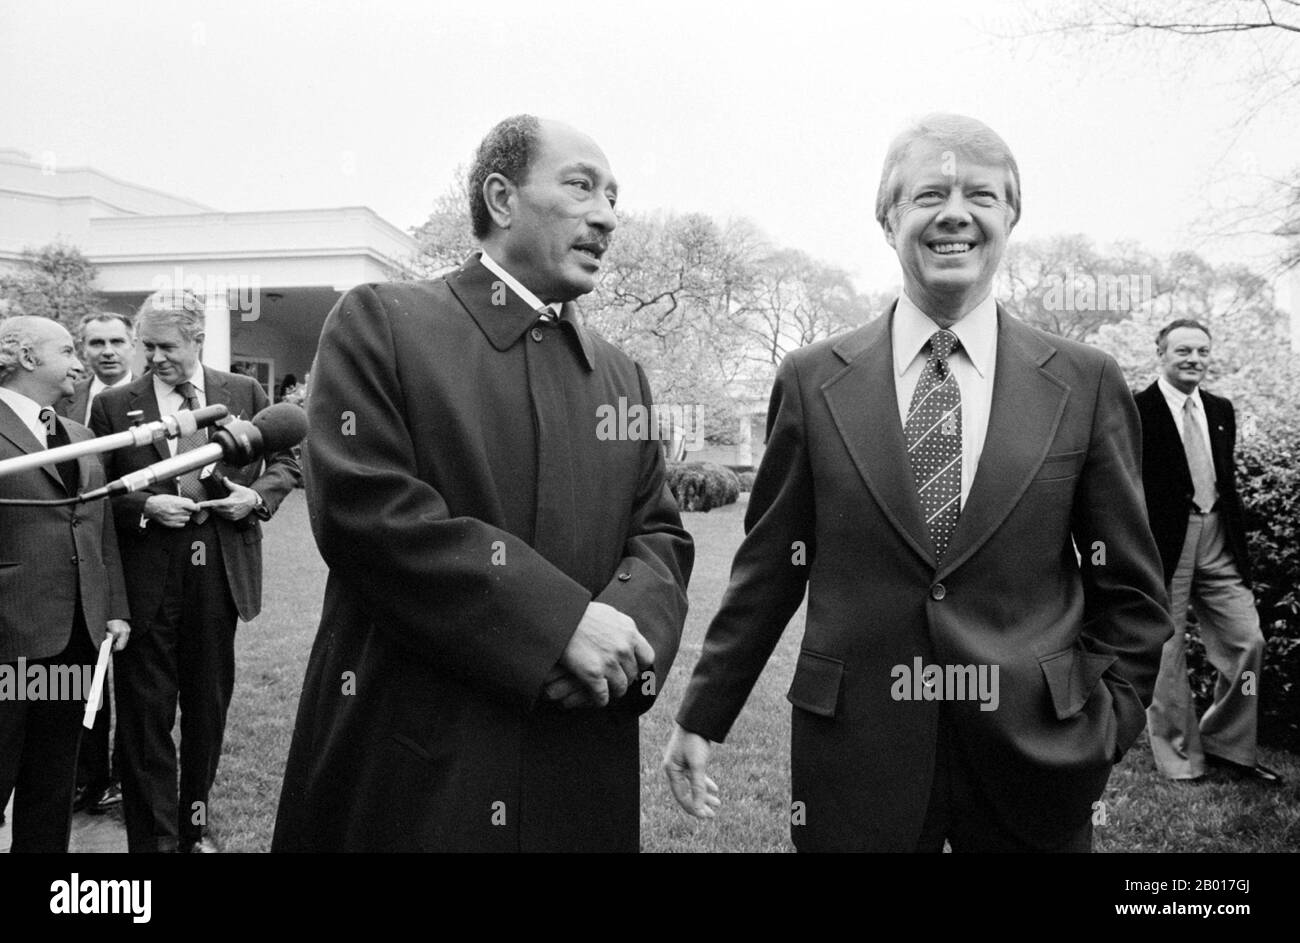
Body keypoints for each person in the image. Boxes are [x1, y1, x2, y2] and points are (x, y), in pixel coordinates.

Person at [662, 114, 1173, 852]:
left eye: (982, 195)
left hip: (1037, 759)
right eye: (930, 193)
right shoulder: (811, 381)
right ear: (889, 217)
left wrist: (1106, 724)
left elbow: (1133, 594)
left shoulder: (1085, 382)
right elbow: (769, 570)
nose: (956, 212)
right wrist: (703, 714)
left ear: (1010, 217)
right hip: (856, 761)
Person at [273, 115, 693, 853]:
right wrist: (557, 626)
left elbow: (660, 534)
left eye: (615, 198)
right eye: (581, 186)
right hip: (416, 767)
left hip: (580, 761)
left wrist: (621, 642)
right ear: (501, 198)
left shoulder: (623, 375)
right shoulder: (381, 323)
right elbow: (364, 512)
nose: (607, 216)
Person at [91, 291, 301, 852]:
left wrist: (254, 499)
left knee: (207, 707)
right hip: (146, 578)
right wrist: (145, 507)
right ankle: (154, 841)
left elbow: (284, 460)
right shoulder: (114, 406)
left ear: (197, 341)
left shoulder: (244, 392)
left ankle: (192, 830)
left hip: (219, 573)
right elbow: (96, 495)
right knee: (145, 715)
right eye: (147, 346)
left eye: (167, 346)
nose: (154, 357)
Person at [0, 316, 131, 851]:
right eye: (69, 350)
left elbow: (96, 527)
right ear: (28, 358)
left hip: (76, 634)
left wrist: (113, 607)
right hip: (9, 638)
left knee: (52, 781)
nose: (82, 362)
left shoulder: (79, 437)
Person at [1137, 320, 1280, 785]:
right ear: (1160, 353)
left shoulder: (1220, 409)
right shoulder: (1137, 410)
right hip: (1164, 546)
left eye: (1201, 351)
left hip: (1217, 537)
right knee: (1167, 650)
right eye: (1182, 350)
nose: (1193, 359)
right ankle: (1179, 758)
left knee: (1248, 641)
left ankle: (1226, 744)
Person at [57, 310, 137, 815]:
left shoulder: (148, 400)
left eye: (115, 341)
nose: (105, 351)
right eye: (94, 343)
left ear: (132, 345)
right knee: (83, 678)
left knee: (134, 681)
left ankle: (129, 776)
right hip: (74, 560)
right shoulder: (68, 399)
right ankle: (91, 775)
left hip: (136, 553)